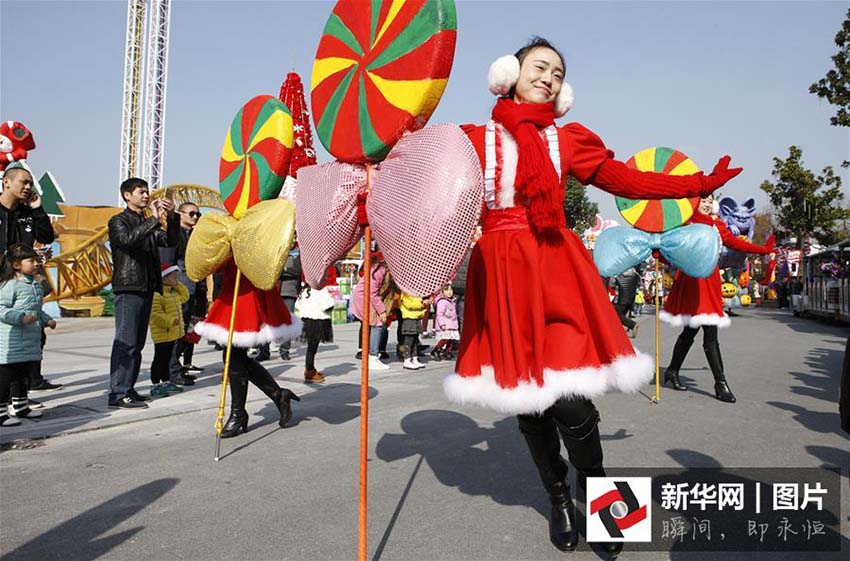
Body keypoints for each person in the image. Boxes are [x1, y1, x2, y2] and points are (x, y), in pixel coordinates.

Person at [442, 37, 741, 555]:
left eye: (558, 73)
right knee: (529, 405)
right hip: (503, 274)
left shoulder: (567, 140)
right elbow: (421, 175)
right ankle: (557, 497)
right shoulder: (472, 139)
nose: (549, 78)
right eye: (540, 67)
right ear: (509, 73)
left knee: (572, 406)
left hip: (556, 268)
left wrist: (696, 184)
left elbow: (627, 179)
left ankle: (598, 491)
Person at [661, 194, 774, 401]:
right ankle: (720, 383)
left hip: (710, 282)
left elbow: (736, 243)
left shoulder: (716, 224)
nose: (705, 204)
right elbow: (668, 247)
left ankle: (673, 370)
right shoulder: (684, 223)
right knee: (709, 333)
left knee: (690, 331)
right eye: (701, 199)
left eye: (708, 200)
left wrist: (763, 250)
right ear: (694, 202)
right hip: (693, 282)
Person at [107, 177, 175, 409]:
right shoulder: (118, 221)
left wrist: (171, 217)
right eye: (141, 192)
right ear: (127, 195)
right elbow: (127, 241)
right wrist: (154, 220)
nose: (146, 196)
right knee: (125, 342)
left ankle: (129, 388)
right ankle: (118, 392)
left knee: (137, 343)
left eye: (147, 192)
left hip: (145, 287)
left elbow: (170, 241)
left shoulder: (147, 222)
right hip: (129, 287)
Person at [0, 161, 60, 393]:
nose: (28, 187)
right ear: (7, 182)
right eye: (23, 182)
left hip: (23, 285)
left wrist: (37, 208)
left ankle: (25, 388)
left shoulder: (27, 213)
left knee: (31, 335)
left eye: (30, 184)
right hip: (2, 284)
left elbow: (46, 235)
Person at [0, 244, 56, 425]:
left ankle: (21, 407)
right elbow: (1, 309)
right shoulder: (9, 285)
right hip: (12, 341)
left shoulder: (36, 286)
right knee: (6, 377)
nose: (36, 264)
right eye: (30, 260)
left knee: (23, 377)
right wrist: (21, 317)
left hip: (30, 340)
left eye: (36, 260)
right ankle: (1, 412)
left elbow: (37, 310)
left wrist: (47, 319)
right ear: (17, 265)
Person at [168, 202, 206, 377]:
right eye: (191, 214)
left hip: (196, 287)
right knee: (178, 329)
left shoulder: (196, 235)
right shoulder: (174, 233)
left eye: (198, 214)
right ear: (180, 214)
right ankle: (172, 368)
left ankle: (182, 365)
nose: (195, 217)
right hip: (181, 287)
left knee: (189, 328)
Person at [148, 264, 190, 398]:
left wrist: (177, 284)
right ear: (164, 279)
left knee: (166, 360)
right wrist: (170, 321)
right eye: (174, 277)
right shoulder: (157, 295)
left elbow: (185, 296)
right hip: (162, 333)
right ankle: (155, 385)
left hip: (171, 334)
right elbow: (155, 314)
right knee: (159, 359)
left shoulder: (173, 293)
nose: (177, 279)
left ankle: (166, 382)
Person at [350, 253, 390, 370]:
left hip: (365, 297)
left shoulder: (380, 268)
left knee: (374, 325)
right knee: (377, 324)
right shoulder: (379, 271)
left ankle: (371, 354)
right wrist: (382, 311)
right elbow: (372, 293)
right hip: (364, 298)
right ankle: (373, 357)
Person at [295, 281, 335, 384]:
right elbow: (327, 305)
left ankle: (310, 369)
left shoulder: (304, 290)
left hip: (306, 320)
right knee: (312, 348)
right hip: (317, 321)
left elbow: (298, 305)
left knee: (311, 347)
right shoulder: (321, 289)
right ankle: (309, 370)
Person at [399, 291, 429, 370]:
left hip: (416, 317)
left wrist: (425, 303)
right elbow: (410, 305)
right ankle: (407, 359)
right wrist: (422, 304)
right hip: (409, 318)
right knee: (409, 341)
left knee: (415, 340)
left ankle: (414, 357)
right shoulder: (406, 293)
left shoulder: (417, 292)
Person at [431, 284, 460, 361]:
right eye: (447, 290)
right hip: (445, 324)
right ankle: (436, 350)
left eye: (451, 290)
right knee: (444, 339)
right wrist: (442, 324)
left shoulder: (452, 301)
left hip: (452, 324)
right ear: (442, 292)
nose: (449, 292)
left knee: (451, 339)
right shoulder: (442, 301)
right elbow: (439, 314)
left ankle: (447, 352)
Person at [611, 267, 640, 338]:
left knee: (615, 315)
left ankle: (632, 325)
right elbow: (639, 284)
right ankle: (617, 332)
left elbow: (611, 285)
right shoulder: (636, 275)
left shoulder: (618, 276)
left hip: (621, 299)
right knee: (621, 316)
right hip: (631, 299)